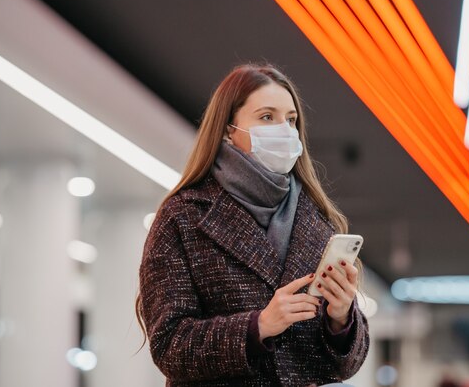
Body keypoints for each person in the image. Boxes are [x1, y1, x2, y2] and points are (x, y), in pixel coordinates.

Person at [135, 63, 370, 386]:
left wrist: (341, 318)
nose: (284, 130)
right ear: (229, 129)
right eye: (266, 117)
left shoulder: (318, 221)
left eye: (290, 120)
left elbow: (344, 366)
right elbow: (170, 346)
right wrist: (258, 326)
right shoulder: (184, 216)